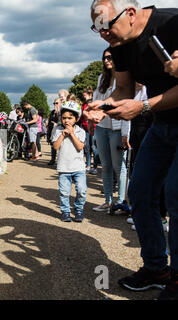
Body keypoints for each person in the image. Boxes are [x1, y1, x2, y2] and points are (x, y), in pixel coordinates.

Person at [88, 0, 178, 300]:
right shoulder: (121, 43)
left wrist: (142, 107)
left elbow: (140, 101)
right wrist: (105, 106)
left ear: (129, 13)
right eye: (96, 28)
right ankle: (156, 268)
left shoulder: (171, 23)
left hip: (161, 116)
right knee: (139, 194)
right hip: (162, 124)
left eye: (106, 25)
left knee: (176, 196)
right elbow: (124, 89)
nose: (103, 35)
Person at [84, 48, 130, 214]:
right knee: (106, 166)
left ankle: (122, 202)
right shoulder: (102, 78)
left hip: (117, 127)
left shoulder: (124, 77)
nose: (106, 60)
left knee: (120, 166)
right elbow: (98, 99)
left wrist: (126, 132)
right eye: (104, 58)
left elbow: (126, 101)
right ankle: (108, 201)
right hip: (102, 127)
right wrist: (90, 120)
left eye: (110, 57)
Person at [126, 83, 168, 233]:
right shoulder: (136, 91)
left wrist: (143, 106)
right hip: (143, 132)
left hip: (157, 127)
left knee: (164, 182)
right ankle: (145, 217)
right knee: (139, 183)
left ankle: (161, 217)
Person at [52, 101, 87, 223]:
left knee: (82, 190)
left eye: (70, 118)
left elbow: (80, 146)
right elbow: (55, 147)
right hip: (64, 167)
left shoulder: (80, 131)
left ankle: (78, 209)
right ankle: (65, 211)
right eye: (64, 118)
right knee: (64, 192)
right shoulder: (57, 129)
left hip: (78, 167)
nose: (66, 121)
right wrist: (62, 135)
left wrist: (71, 134)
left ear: (76, 119)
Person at [82, 87, 99, 175]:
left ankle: (95, 166)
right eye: (83, 96)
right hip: (85, 128)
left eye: (85, 96)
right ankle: (88, 165)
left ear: (90, 95)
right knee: (87, 147)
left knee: (94, 147)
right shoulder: (84, 104)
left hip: (94, 128)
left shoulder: (94, 103)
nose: (84, 97)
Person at [47, 98, 62, 165]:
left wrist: (58, 113)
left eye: (56, 103)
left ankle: (60, 160)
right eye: (54, 103)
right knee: (52, 146)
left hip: (60, 131)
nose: (55, 104)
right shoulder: (52, 112)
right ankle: (52, 159)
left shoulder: (62, 111)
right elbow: (50, 122)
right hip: (53, 130)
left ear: (61, 103)